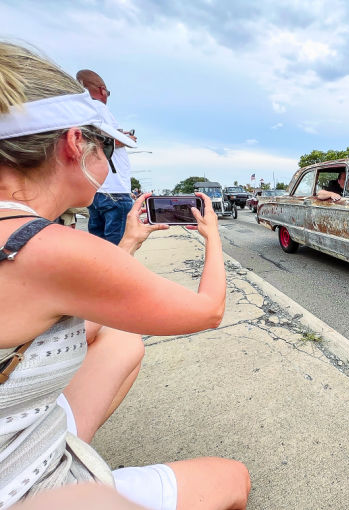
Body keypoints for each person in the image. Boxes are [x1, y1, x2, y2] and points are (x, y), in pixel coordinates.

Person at [0, 42, 250, 509]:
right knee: (233, 479)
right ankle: (75, 479)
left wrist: (130, 242)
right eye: (108, 148)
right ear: (76, 143)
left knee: (122, 340)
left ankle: (75, 456)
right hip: (18, 483)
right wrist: (213, 236)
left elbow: (74, 309)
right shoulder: (51, 247)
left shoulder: (25, 235)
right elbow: (209, 311)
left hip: (15, 434)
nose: (110, 164)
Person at [76, 69, 135, 245]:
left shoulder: (80, 111)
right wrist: (126, 138)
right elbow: (107, 141)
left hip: (96, 188)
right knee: (120, 246)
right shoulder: (99, 108)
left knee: (99, 244)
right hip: (115, 188)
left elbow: (92, 139)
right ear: (102, 90)